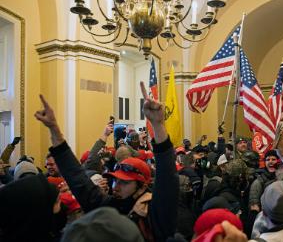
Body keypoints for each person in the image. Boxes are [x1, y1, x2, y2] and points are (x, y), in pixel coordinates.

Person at [34, 81, 179, 242]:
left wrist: (157, 125)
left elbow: (167, 176)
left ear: (142, 186)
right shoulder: (109, 206)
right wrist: (55, 130)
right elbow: (77, 179)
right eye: (115, 180)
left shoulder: (155, 213)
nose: (115, 187)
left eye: (124, 182)